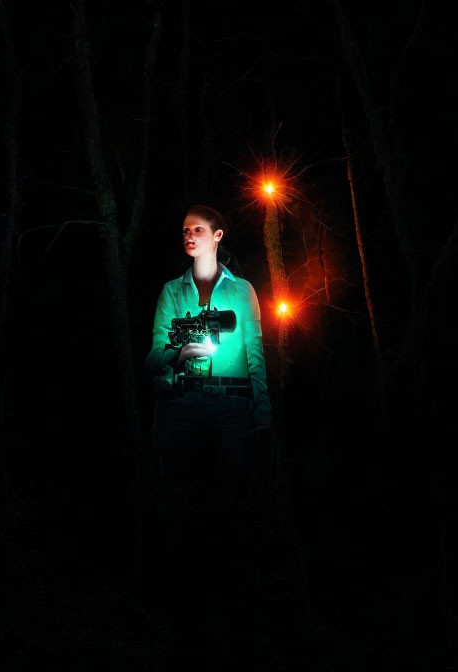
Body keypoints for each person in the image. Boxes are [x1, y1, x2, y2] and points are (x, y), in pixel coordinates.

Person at [142, 204, 272, 624]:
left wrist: (262, 414)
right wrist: (179, 352)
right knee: (181, 502)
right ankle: (180, 605)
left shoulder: (242, 291)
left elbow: (255, 354)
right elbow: (151, 359)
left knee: (235, 500)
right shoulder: (171, 291)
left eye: (198, 229)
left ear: (218, 236)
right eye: (184, 230)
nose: (189, 235)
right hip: (180, 405)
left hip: (230, 406)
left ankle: (239, 605)